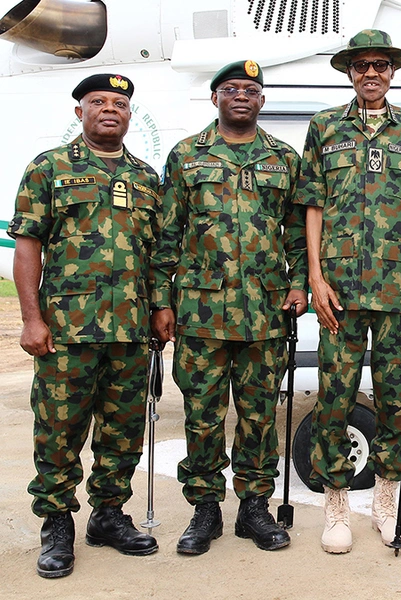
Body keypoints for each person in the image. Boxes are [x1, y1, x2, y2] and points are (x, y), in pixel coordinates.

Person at [150, 60, 307, 555]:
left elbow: (299, 232)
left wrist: (300, 282)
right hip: (201, 313)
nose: (242, 95)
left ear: (261, 102)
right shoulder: (185, 156)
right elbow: (166, 234)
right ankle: (205, 509)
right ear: (215, 97)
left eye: (251, 90)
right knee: (201, 415)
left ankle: (255, 509)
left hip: (264, 311)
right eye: (231, 88)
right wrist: (160, 300)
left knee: (259, 414)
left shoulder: (283, 158)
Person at [8, 73, 160, 578]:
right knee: (59, 430)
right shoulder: (49, 168)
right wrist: (32, 318)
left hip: (131, 330)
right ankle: (56, 524)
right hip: (67, 329)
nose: (110, 109)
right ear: (80, 112)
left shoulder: (145, 177)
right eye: (98, 101)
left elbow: (158, 255)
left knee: (122, 432)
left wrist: (160, 310)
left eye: (120, 103)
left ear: (130, 114)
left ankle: (109, 516)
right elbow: (27, 244)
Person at [299, 29, 401, 554]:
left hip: (399, 289)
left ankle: (386, 501)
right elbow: (311, 205)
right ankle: (335, 503)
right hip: (339, 289)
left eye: (380, 65)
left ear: (392, 71)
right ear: (349, 72)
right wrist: (314, 276)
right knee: (334, 399)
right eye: (361, 65)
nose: (371, 74)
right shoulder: (324, 127)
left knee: (393, 401)